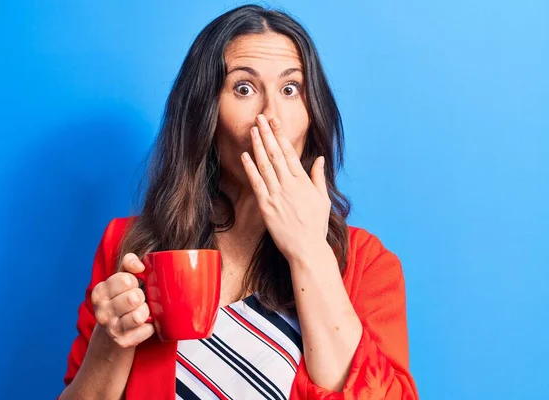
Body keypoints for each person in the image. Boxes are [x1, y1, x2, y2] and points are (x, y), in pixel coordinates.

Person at [58, 4, 418, 399]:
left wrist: (309, 253)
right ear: (203, 115)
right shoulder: (131, 246)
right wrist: (111, 342)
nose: (271, 117)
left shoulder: (367, 264)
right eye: (243, 89)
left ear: (313, 114)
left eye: (290, 89)